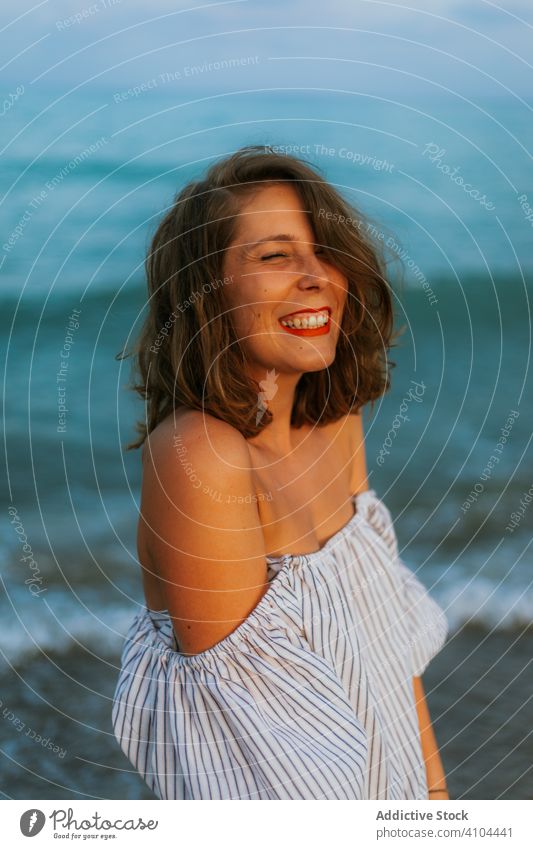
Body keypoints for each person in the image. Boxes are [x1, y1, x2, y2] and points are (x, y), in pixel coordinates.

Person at [112, 144, 449, 800]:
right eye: (273, 255)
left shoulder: (335, 425)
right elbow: (258, 768)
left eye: (324, 250)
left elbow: (394, 666)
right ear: (204, 293)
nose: (316, 274)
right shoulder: (200, 455)